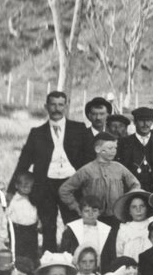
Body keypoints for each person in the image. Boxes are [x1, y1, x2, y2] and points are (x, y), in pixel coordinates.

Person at [9, 91, 92, 252]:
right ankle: (49, 259)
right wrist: (11, 189)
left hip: (71, 184)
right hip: (46, 185)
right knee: (48, 226)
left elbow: (88, 159)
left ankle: (74, 258)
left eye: (60, 105)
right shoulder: (37, 133)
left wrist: (86, 184)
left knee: (74, 224)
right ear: (46, 106)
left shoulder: (79, 129)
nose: (57, 108)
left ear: (66, 106)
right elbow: (23, 163)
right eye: (53, 104)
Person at [116, 107, 153, 191]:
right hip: (132, 190)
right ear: (135, 122)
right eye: (141, 121)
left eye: (148, 121)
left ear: (152, 122)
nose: (145, 124)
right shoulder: (124, 143)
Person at [58, 196, 114, 269]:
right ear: (80, 212)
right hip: (77, 268)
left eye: (94, 211)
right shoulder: (71, 229)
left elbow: (111, 255)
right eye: (87, 211)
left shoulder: (106, 230)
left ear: (99, 213)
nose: (91, 214)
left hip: (100, 269)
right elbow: (64, 253)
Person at [113, 188, 152, 265]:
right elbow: (119, 252)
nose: (138, 210)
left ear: (147, 208)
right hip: (130, 267)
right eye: (134, 207)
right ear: (129, 211)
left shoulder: (152, 224)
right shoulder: (124, 229)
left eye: (142, 206)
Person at [7, 172, 40, 261]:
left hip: (31, 229)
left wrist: (39, 222)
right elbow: (7, 215)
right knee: (18, 250)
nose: (27, 190)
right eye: (24, 187)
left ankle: (32, 265)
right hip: (18, 229)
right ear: (17, 186)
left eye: (30, 187)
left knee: (32, 250)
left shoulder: (32, 199)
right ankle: (19, 265)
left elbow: (36, 212)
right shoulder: (13, 200)